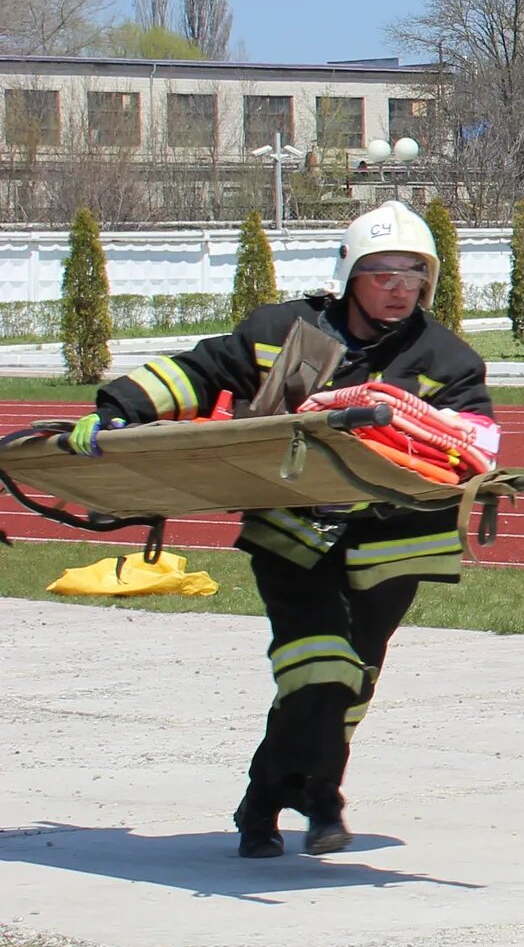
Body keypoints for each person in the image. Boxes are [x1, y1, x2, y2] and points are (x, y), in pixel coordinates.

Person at [76, 201, 494, 858]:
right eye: (382, 273)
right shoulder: (286, 331)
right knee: (316, 665)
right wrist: (117, 407)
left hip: (392, 546)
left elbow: (476, 441)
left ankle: (265, 802)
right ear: (351, 274)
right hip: (293, 534)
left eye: (413, 274)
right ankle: (322, 804)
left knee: (347, 687)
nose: (398, 288)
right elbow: (202, 369)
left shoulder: (447, 359)